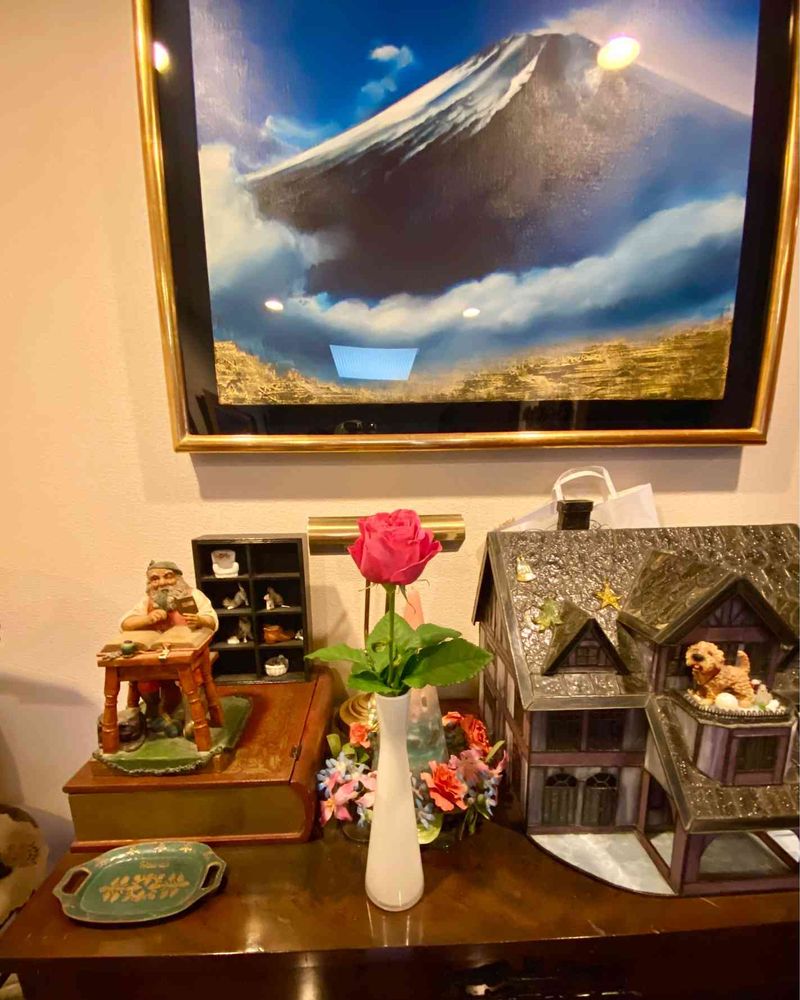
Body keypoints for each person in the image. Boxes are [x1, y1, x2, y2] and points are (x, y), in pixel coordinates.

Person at [120, 561, 218, 735]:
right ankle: (155, 714)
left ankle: (193, 719)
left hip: (189, 652)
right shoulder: (147, 601)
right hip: (157, 654)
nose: (162, 583)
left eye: (168, 576)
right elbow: (125, 623)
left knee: (191, 677)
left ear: (178, 578)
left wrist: (200, 620)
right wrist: (147, 619)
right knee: (144, 678)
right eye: (155, 579)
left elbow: (212, 620)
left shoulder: (194, 596)